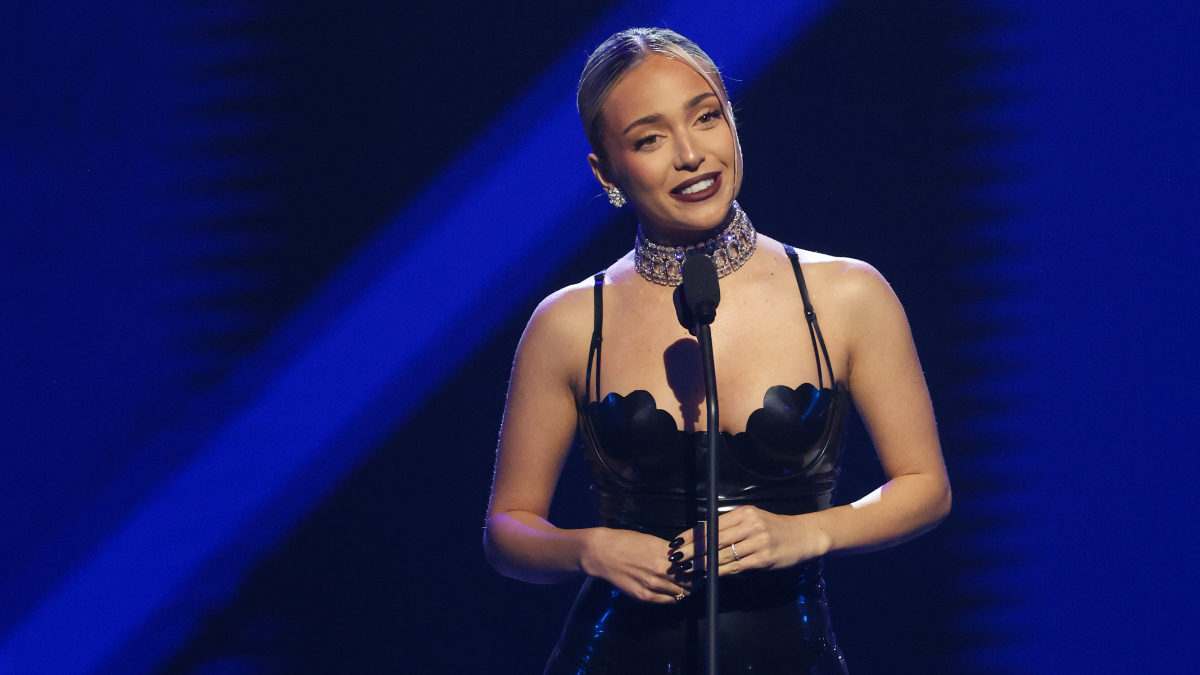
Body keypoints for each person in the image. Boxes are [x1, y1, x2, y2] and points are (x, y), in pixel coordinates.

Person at [483, 27, 951, 674]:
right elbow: (509, 529)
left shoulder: (846, 294)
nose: (690, 155)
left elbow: (925, 486)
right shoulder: (568, 321)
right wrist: (594, 548)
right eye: (649, 139)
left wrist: (807, 531)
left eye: (705, 118)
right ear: (606, 169)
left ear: (731, 122)